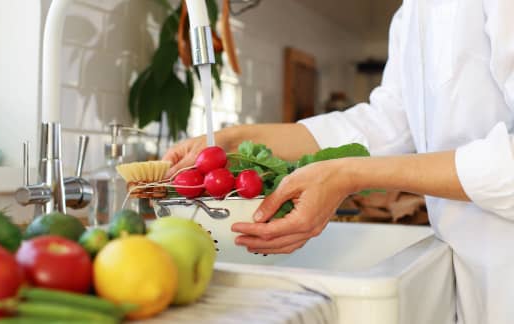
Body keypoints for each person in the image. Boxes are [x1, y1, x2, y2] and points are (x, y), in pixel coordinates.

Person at [163, 1, 514, 323]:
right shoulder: (411, 15)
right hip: (477, 285)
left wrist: (348, 174)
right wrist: (237, 139)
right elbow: (386, 125)